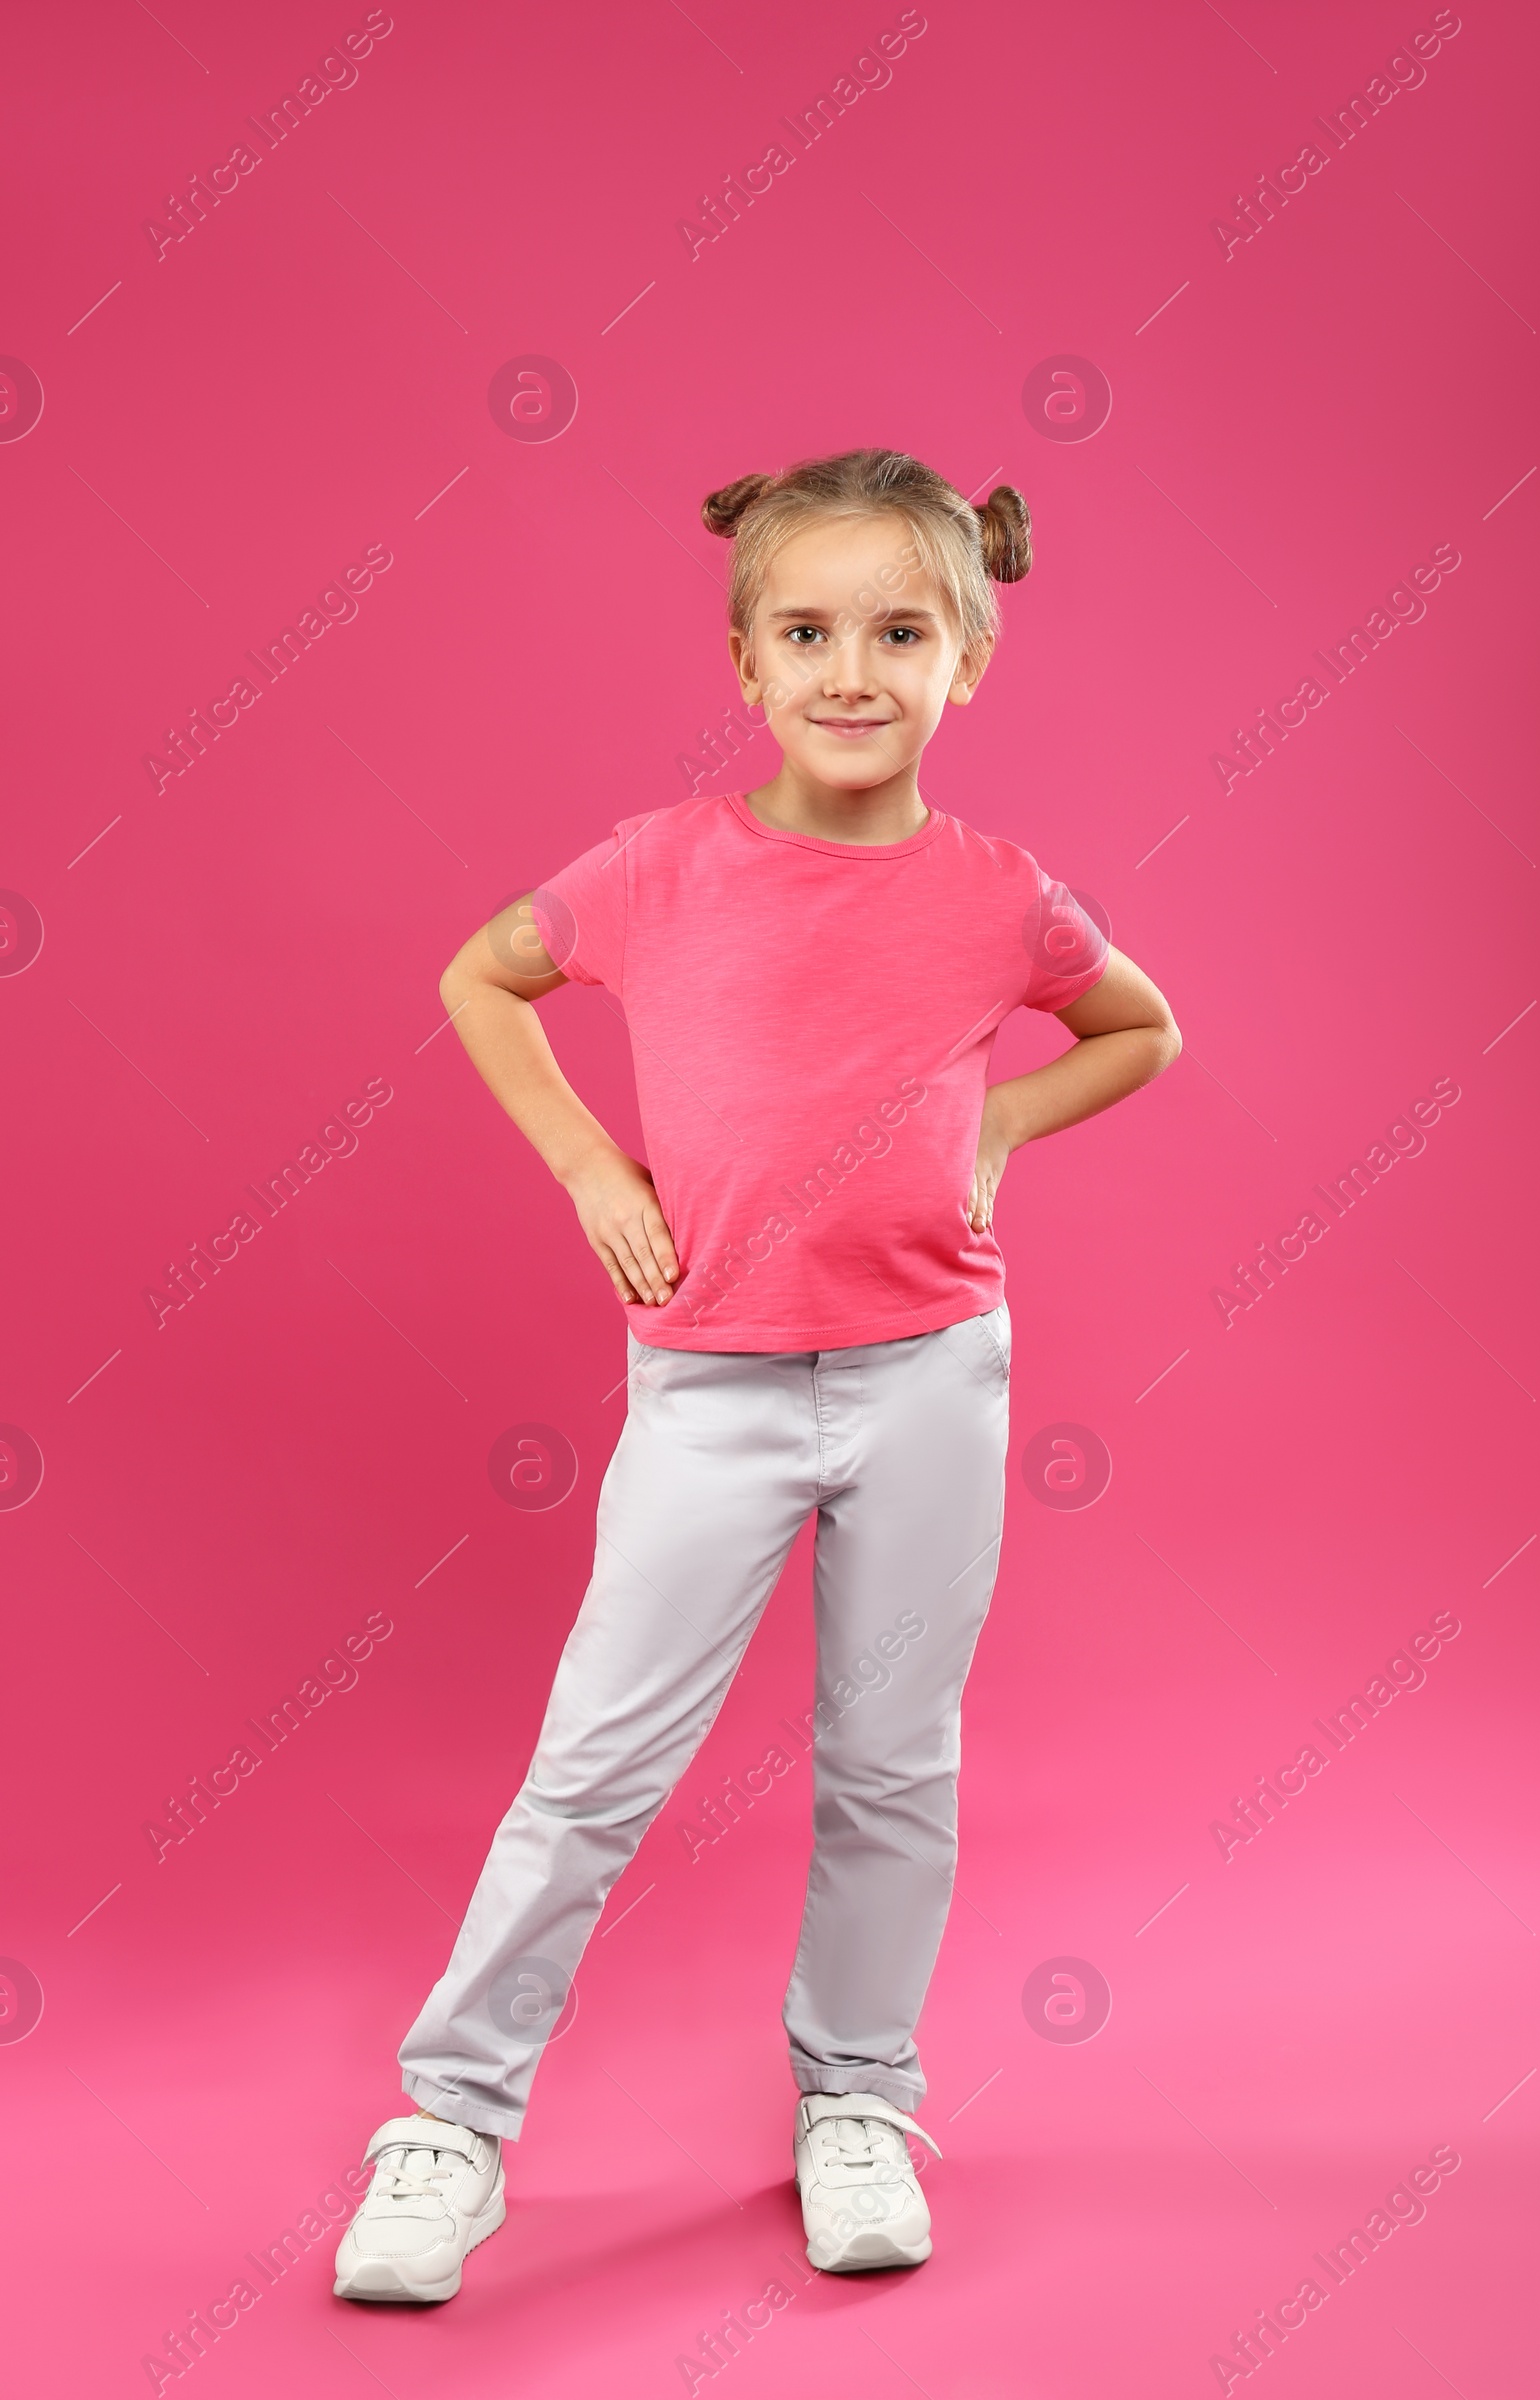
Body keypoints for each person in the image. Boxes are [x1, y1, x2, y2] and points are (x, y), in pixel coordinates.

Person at [333, 447, 1181, 2303]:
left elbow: (1140, 1027)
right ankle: (452, 2123)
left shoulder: (1002, 895)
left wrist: (1005, 1127)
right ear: (744, 663)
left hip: (929, 1378)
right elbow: (485, 978)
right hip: (706, 1389)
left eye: (901, 631)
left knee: (893, 1764)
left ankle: (858, 2094)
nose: (852, 671)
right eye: (806, 631)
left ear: (972, 658)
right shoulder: (654, 870)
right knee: (595, 1767)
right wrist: (588, 1165)